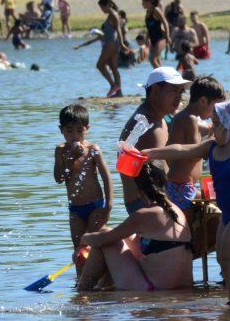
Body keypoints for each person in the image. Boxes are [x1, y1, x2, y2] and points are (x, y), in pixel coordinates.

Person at [144, 99, 230, 305]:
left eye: (215, 124)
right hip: (229, 213)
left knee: (229, 259)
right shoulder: (212, 147)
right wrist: (153, 153)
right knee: (223, 258)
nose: (211, 128)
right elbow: (182, 150)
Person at [77, 163, 193, 291]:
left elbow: (102, 239)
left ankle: (81, 292)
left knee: (105, 236)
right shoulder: (176, 211)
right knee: (125, 237)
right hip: (181, 288)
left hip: (153, 289)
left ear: (139, 190)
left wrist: (83, 240)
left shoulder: (145, 215)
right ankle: (102, 287)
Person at [119, 67, 191, 215]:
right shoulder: (150, 126)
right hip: (146, 204)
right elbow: (160, 175)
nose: (178, 97)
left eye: (180, 92)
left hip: (144, 201)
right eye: (173, 91)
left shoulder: (156, 115)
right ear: (156, 90)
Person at [54, 105, 114, 275]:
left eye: (79, 131)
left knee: (91, 245)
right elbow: (59, 178)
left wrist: (109, 204)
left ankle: (102, 279)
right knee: (78, 249)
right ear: (61, 130)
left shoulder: (93, 150)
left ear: (87, 129)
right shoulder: (60, 151)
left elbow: (106, 176)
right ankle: (81, 283)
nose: (74, 136)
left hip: (95, 205)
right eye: (69, 131)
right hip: (75, 209)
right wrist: (71, 158)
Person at [164, 76, 225, 219]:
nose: (216, 114)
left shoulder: (186, 117)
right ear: (203, 101)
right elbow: (197, 152)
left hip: (181, 185)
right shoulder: (189, 119)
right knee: (188, 230)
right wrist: (214, 137)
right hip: (181, 186)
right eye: (216, 108)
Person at [75, 0, 128, 98]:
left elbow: (118, 29)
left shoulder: (113, 14)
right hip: (113, 43)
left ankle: (113, 86)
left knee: (99, 65)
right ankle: (119, 93)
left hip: (111, 43)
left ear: (107, 5)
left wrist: (122, 43)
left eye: (102, 7)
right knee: (113, 68)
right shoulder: (112, 14)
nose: (102, 10)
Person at [142, 0, 171, 67]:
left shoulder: (156, 10)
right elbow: (149, 28)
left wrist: (167, 36)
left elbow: (165, 23)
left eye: (143, 1)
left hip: (161, 38)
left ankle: (161, 76)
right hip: (153, 39)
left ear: (148, 2)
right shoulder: (147, 13)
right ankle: (161, 77)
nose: (142, 3)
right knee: (157, 60)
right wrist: (146, 38)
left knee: (152, 59)